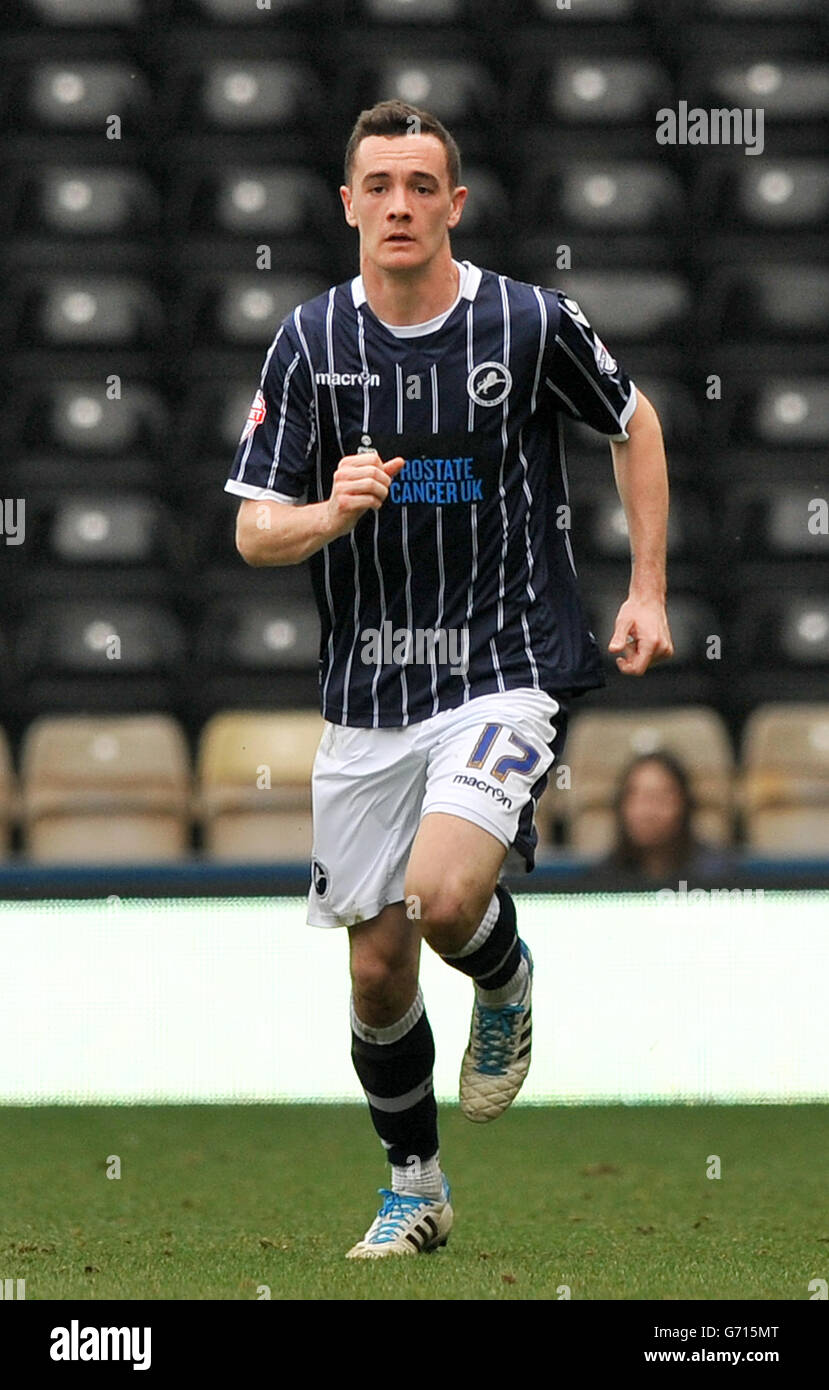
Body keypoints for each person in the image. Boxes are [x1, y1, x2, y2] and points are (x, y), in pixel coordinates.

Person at [225, 99, 673, 1258]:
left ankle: (505, 973)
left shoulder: (526, 323)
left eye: (422, 185)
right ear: (346, 205)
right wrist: (334, 507)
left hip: (502, 665)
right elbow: (254, 532)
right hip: (368, 692)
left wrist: (646, 591)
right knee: (376, 968)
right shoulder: (311, 342)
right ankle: (415, 1185)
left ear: (454, 205)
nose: (400, 205)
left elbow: (636, 423)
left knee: (444, 896)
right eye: (378, 185)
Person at [595, 751, 732, 887]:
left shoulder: (720, 881)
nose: (646, 812)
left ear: (684, 804)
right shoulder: (597, 884)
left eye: (658, 798)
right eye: (635, 798)